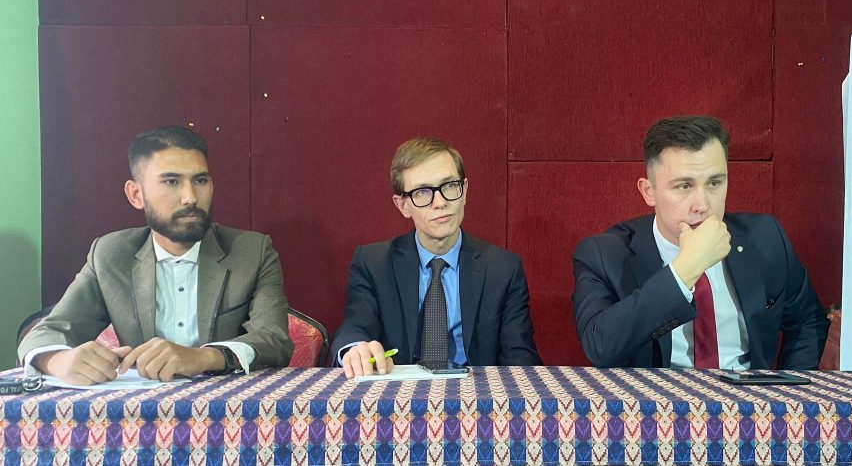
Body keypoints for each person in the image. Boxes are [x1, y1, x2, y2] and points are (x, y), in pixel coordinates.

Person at [18, 126, 293, 384]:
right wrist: (58, 360)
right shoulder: (111, 255)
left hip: (226, 405)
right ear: (136, 194)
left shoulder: (251, 251)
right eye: (171, 181)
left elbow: (274, 340)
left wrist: (203, 357)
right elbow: (48, 331)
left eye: (200, 180)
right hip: (140, 409)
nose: (190, 197)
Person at [572, 115, 829, 369]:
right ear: (649, 192)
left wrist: (789, 390)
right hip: (660, 394)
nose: (702, 205)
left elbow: (807, 321)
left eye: (714, 183)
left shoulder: (766, 237)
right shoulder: (604, 255)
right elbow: (600, 347)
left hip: (746, 393)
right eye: (684, 186)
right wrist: (687, 268)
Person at [330, 137, 541, 378]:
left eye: (449, 185)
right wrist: (355, 349)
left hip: (476, 392)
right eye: (422, 192)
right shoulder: (374, 264)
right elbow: (355, 327)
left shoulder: (502, 269)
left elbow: (520, 359)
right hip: (400, 393)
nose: (440, 203)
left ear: (464, 191)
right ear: (403, 205)